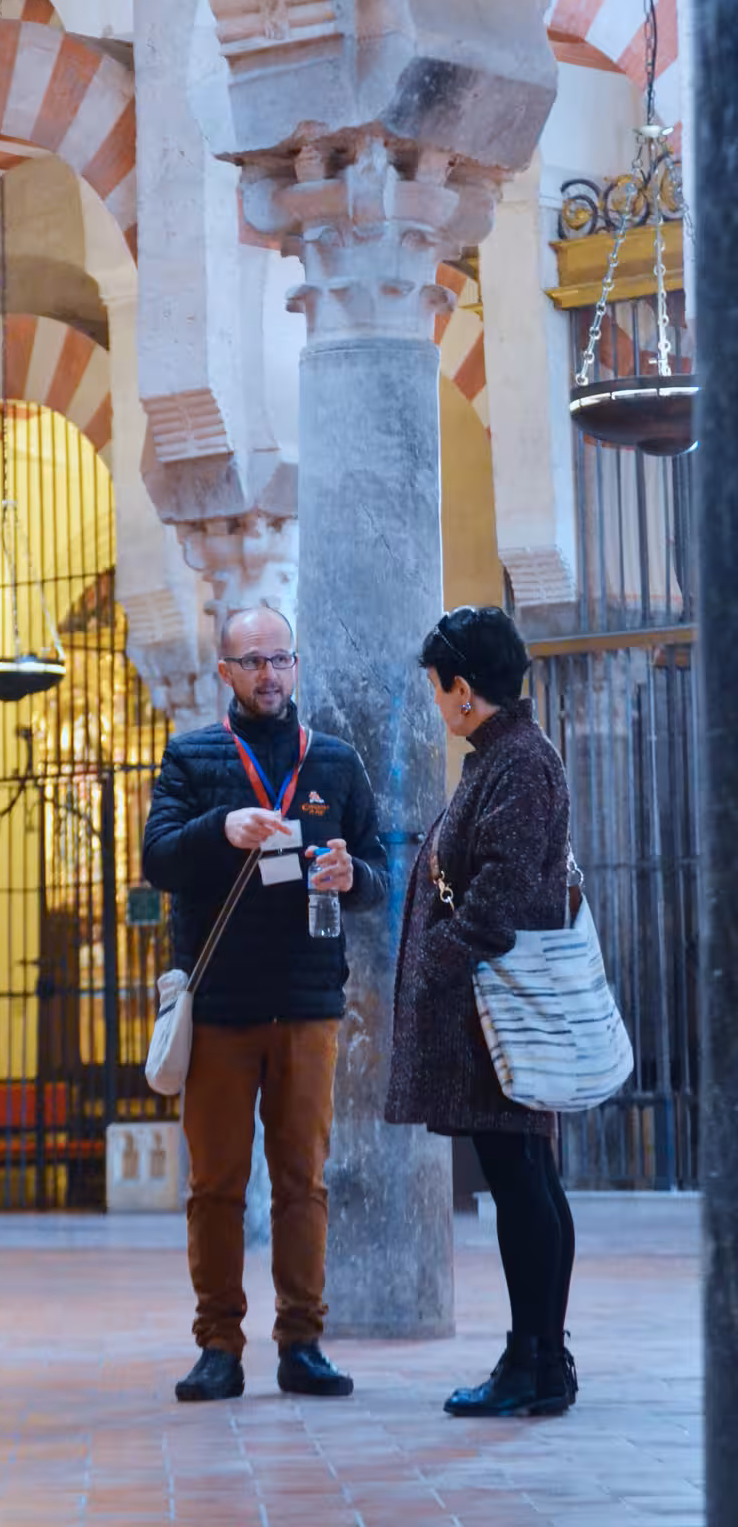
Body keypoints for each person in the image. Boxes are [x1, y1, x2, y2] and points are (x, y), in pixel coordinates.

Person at [142, 605, 388, 1403]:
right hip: (218, 1008)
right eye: (251, 662)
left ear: (295, 664)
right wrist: (224, 825)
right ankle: (218, 1344)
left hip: (309, 1002)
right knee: (215, 1184)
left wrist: (355, 877)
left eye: (280, 659)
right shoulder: (191, 756)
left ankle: (303, 1342)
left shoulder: (337, 763)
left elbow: (379, 870)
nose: (269, 674)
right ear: (225, 672)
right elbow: (157, 862)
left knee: (303, 1181)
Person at [386, 604, 576, 1419]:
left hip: (501, 1016)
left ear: (464, 689)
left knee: (524, 1184)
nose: (438, 702)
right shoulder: (501, 758)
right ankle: (540, 1358)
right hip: (495, 1014)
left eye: (439, 687)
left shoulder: (519, 762)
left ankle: (533, 1358)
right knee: (528, 1181)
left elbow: (496, 898)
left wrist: (436, 959)